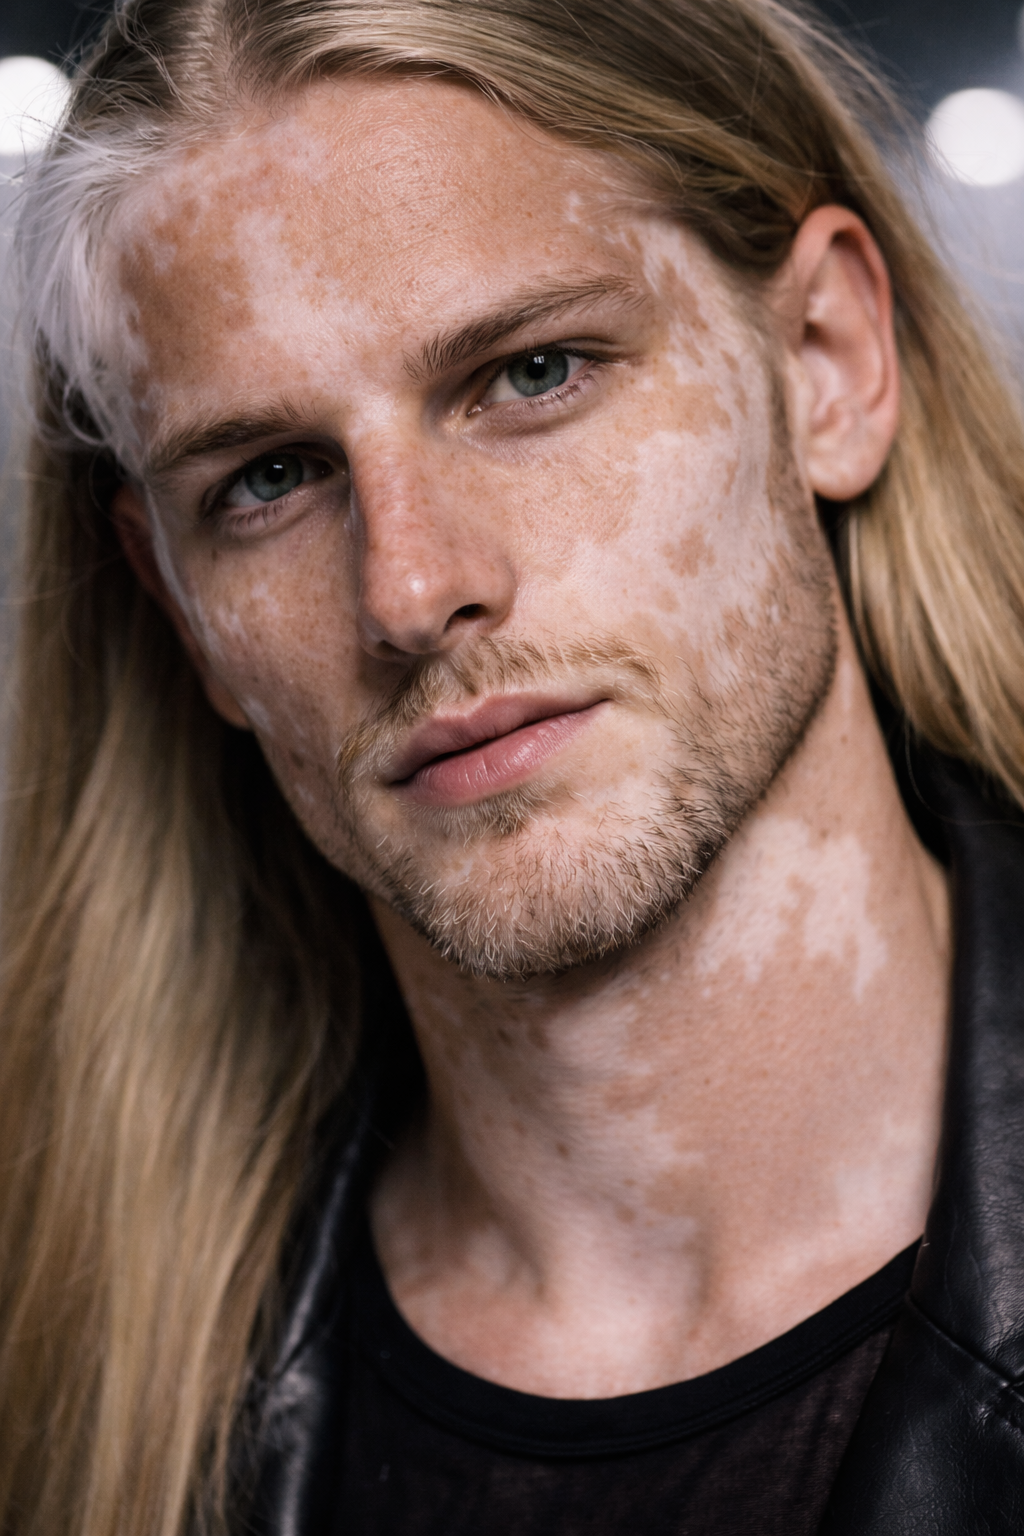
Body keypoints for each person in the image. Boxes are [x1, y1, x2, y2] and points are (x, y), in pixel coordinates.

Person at [3, 0, 1024, 1531]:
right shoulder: (76, 1390)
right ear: (182, 611)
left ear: (824, 361)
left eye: (533, 373)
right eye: (268, 480)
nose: (411, 591)